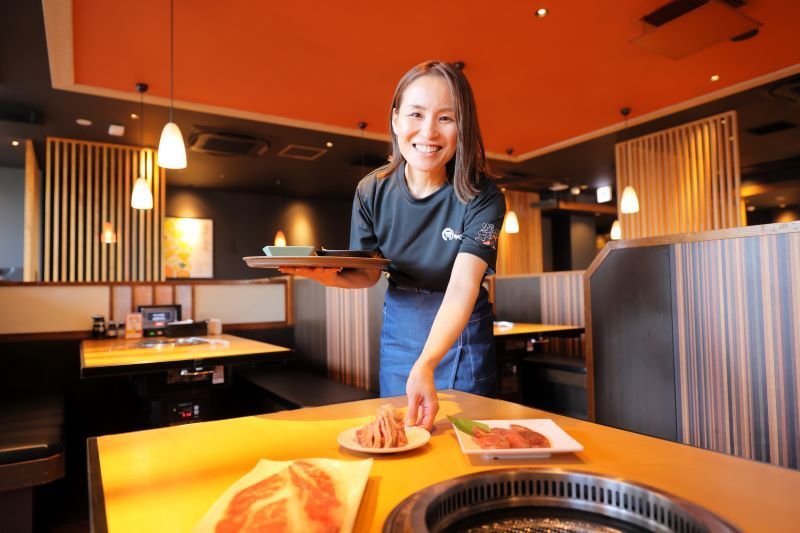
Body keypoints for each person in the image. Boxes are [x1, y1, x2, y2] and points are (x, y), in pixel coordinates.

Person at [280, 60, 506, 431]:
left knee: (465, 438)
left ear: (463, 127)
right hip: (400, 329)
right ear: (396, 119)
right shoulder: (372, 191)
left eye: (446, 118)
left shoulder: (483, 197)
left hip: (461, 332)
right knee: (399, 435)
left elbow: (463, 287)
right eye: (416, 114)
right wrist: (323, 276)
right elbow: (368, 275)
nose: (428, 131)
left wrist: (427, 362)